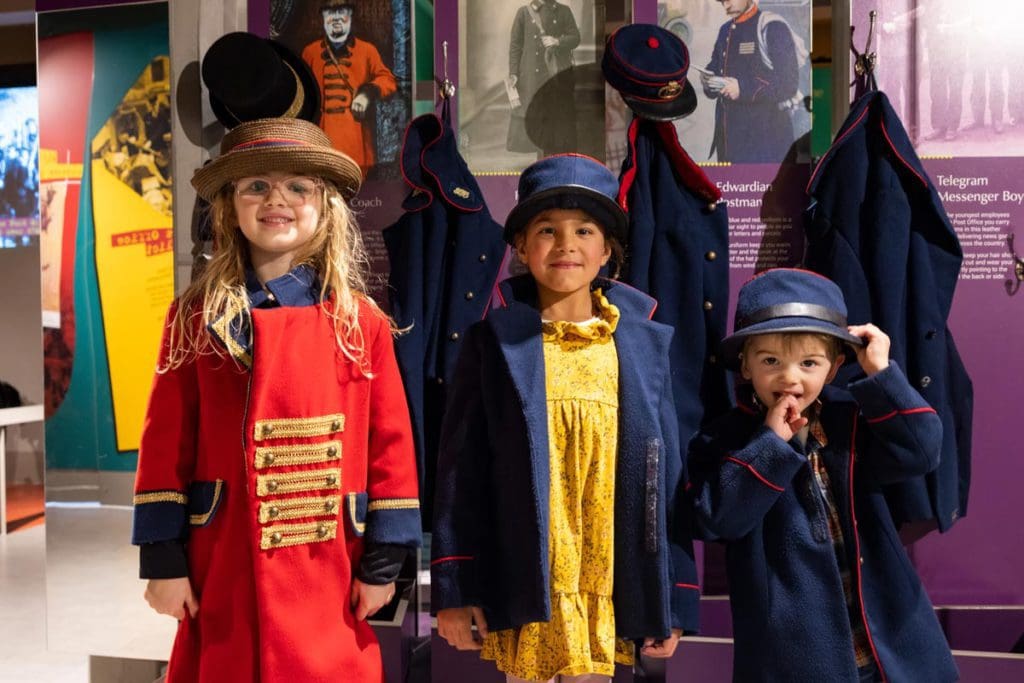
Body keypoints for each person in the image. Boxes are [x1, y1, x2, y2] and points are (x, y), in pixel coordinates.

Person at [131, 117, 421, 682]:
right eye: (256, 186)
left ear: (324, 204)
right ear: (231, 207)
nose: (276, 200)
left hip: (332, 559)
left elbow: (391, 445)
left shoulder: (360, 322)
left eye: (297, 187)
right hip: (223, 554)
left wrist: (385, 561)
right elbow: (164, 441)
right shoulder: (195, 318)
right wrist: (162, 559)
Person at [432, 154, 699, 683]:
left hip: (613, 581)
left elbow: (667, 482)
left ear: (607, 251)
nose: (566, 244)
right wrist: (455, 588)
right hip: (527, 575)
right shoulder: (492, 345)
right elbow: (459, 475)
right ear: (522, 248)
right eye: (546, 230)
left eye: (584, 230)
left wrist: (674, 597)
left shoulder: (644, 348)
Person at [687, 268, 959, 683]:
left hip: (889, 641)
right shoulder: (723, 437)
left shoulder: (852, 416)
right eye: (770, 361)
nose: (790, 377)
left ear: (833, 369)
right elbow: (717, 519)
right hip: (793, 655)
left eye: (809, 362)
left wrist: (880, 375)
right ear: (744, 366)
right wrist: (771, 445)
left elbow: (922, 452)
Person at [302, 0, 397, 175]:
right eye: (330, 13)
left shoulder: (367, 51)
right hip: (321, 143)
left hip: (356, 143)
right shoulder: (310, 52)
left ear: (351, 16)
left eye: (341, 12)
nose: (336, 19)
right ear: (323, 17)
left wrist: (367, 93)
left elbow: (388, 80)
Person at [702, 0, 803, 163]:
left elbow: (788, 83)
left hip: (764, 143)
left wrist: (742, 89)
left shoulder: (773, 27)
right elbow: (715, 65)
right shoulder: (725, 30)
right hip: (728, 142)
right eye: (722, 1)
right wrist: (708, 80)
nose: (726, 6)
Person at [507, 0, 580, 155]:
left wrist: (557, 41)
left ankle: (552, 157)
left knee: (556, 118)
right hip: (531, 76)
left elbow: (575, 37)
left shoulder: (563, 11)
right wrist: (513, 73)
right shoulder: (524, 12)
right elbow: (515, 45)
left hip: (555, 74)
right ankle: (540, 157)